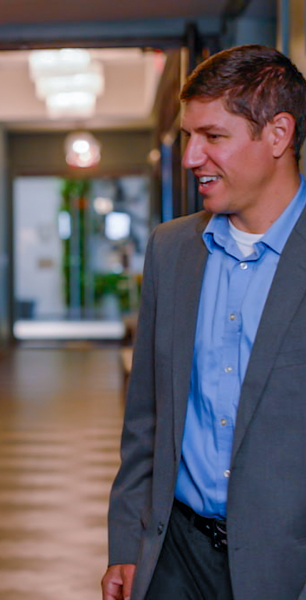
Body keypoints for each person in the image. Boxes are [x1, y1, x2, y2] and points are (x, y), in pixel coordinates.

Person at [101, 44, 306, 600]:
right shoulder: (172, 250)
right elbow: (145, 417)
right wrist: (127, 545)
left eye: (213, 137)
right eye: (190, 137)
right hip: (174, 558)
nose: (192, 157)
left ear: (278, 134)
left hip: (287, 568)